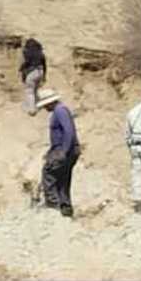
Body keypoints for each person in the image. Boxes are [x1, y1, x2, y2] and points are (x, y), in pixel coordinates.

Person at [38, 88, 79, 217]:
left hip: (64, 149)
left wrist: (63, 151)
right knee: (63, 180)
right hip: (64, 149)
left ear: (50, 103)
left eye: (45, 105)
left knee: (49, 174)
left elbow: (69, 131)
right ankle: (65, 209)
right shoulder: (61, 110)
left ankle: (53, 208)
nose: (44, 108)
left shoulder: (60, 111)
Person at [19, 38, 47, 116]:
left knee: (29, 91)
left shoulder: (27, 52)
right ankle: (37, 105)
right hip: (40, 71)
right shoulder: (41, 53)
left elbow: (27, 62)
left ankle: (32, 110)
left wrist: (21, 69)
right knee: (35, 90)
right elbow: (45, 65)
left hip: (32, 72)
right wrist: (44, 76)